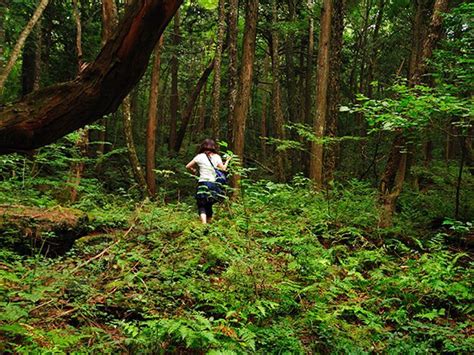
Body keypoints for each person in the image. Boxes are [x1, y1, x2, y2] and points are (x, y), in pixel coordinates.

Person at [186, 139, 231, 224]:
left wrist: (193, 170)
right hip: (213, 183)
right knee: (209, 204)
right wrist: (228, 160)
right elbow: (223, 169)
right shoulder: (217, 156)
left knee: (201, 204)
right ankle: (209, 224)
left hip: (203, 182)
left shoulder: (199, 156)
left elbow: (188, 166)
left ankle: (204, 223)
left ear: (203, 146)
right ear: (213, 147)